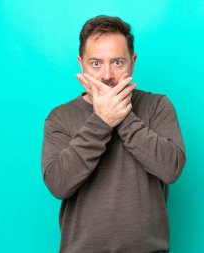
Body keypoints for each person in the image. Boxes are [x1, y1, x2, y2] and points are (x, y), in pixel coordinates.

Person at [41, 15, 186, 253]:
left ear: (133, 62)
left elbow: (171, 168)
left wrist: (122, 117)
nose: (106, 75)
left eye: (117, 63)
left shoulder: (157, 106)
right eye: (95, 63)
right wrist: (101, 121)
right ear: (81, 64)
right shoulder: (60, 117)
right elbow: (58, 185)